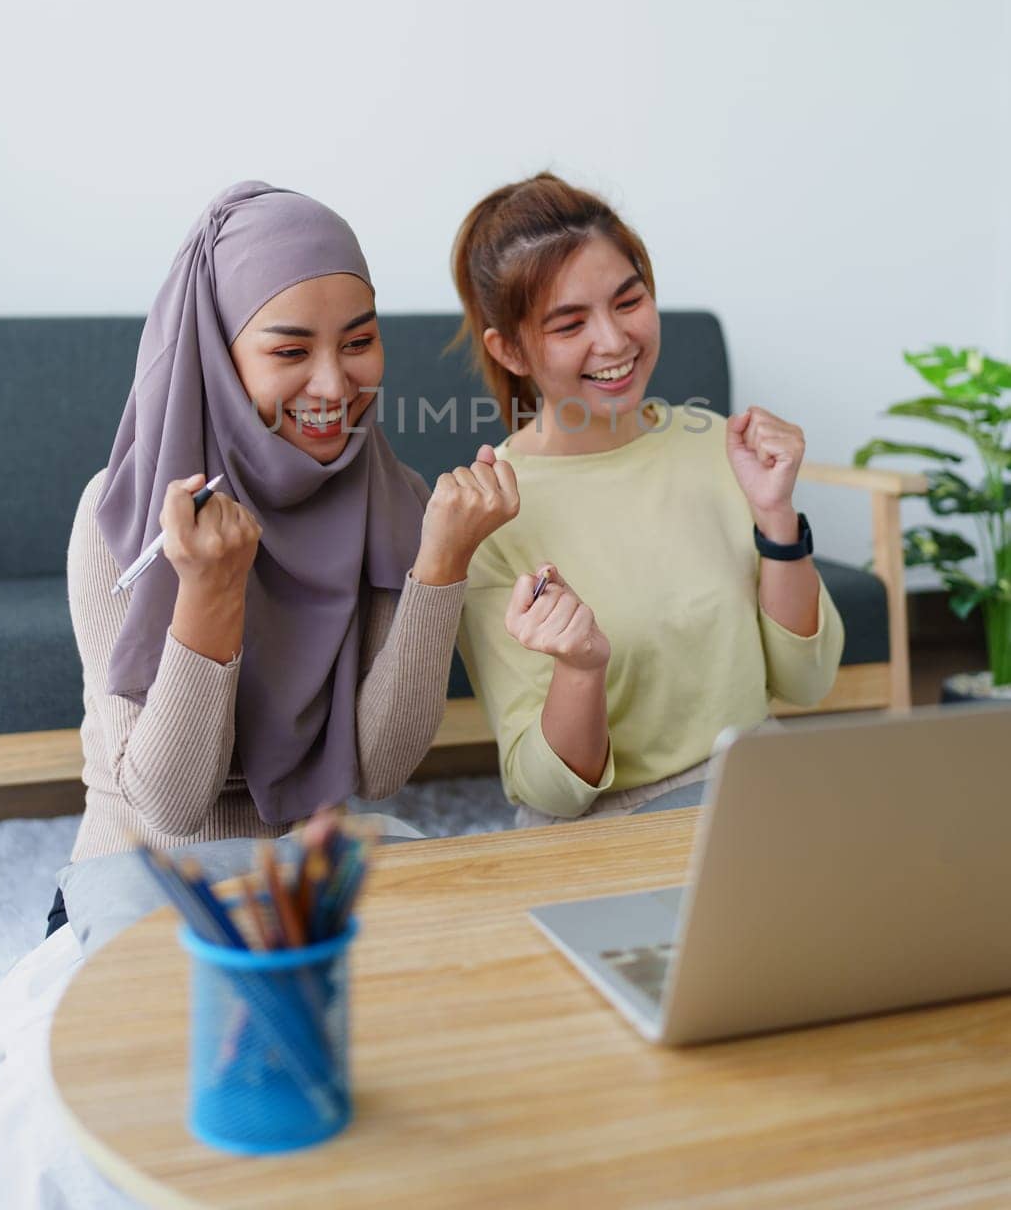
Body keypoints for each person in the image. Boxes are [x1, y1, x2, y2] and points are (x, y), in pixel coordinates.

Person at [46, 180, 518, 934]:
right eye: (291, 350)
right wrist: (208, 593)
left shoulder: (387, 497)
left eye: (359, 342)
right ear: (217, 355)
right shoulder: (122, 510)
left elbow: (382, 766)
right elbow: (169, 802)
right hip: (142, 887)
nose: (335, 384)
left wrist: (441, 566)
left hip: (309, 895)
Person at [451, 172, 845, 826]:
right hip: (611, 824)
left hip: (752, 787)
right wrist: (579, 668)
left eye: (627, 302)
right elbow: (548, 790)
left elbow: (807, 683)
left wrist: (776, 518)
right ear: (510, 349)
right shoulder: (495, 512)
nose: (613, 342)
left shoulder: (722, 447)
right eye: (569, 322)